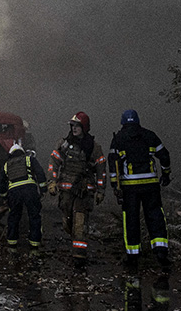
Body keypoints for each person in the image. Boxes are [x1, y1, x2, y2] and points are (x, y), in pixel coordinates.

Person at [108, 109, 172, 269]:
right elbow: (164, 155)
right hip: (151, 186)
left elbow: (113, 165)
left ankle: (132, 256)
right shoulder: (150, 135)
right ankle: (160, 250)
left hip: (130, 188)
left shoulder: (119, 139)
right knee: (155, 215)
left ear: (123, 123)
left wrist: (116, 187)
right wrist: (166, 174)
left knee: (131, 219)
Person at [47, 112, 107, 267]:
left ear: (84, 127)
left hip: (83, 193)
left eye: (77, 126)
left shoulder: (93, 147)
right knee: (68, 223)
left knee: (80, 224)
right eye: (72, 126)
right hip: (66, 193)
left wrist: (101, 190)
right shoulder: (64, 144)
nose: (74, 129)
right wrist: (52, 182)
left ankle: (79, 258)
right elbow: (54, 162)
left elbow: (101, 170)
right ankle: (75, 242)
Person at [0, 140, 47, 249]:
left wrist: (5, 197)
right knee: (34, 217)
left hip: (14, 194)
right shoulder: (29, 159)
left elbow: (1, 184)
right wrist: (43, 189)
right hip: (30, 191)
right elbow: (40, 173)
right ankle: (34, 246)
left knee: (13, 218)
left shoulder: (6, 165)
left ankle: (12, 245)